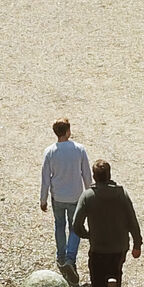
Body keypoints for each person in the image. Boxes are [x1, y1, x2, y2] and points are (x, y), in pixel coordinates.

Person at [72, 159, 143, 287]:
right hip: (119, 248)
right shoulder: (121, 194)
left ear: (94, 177)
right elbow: (132, 220)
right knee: (116, 276)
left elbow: (76, 224)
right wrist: (137, 244)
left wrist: (88, 235)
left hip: (98, 248)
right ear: (109, 174)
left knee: (97, 284)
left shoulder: (88, 196)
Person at [38, 118, 92, 277]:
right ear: (68, 131)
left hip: (58, 197)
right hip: (76, 196)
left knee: (59, 226)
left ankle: (61, 257)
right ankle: (70, 258)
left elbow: (45, 177)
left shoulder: (49, 151)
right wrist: (90, 193)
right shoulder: (79, 149)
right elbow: (87, 175)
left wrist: (43, 199)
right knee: (75, 228)